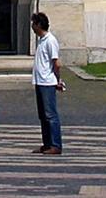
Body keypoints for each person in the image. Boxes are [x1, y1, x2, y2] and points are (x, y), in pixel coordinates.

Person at [30, 11, 63, 154]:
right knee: (43, 115)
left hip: (47, 82)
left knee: (50, 115)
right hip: (39, 81)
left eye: (33, 23)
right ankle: (47, 143)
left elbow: (56, 63)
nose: (32, 26)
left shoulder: (50, 40)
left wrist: (58, 80)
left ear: (38, 24)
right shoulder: (41, 40)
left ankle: (55, 144)